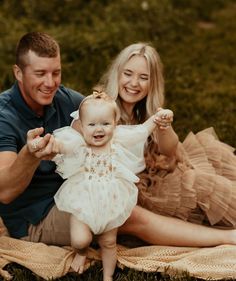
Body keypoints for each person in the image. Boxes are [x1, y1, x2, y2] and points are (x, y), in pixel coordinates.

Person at [0, 31, 236, 268]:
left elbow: (99, 123)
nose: (50, 83)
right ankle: (228, 238)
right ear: (18, 72)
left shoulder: (62, 98)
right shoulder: (4, 117)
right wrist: (30, 154)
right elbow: (5, 192)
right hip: (35, 218)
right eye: (40, 74)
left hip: (75, 190)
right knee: (123, 213)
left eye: (56, 73)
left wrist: (150, 125)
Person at [93, 42, 236, 232]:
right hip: (136, 187)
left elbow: (168, 150)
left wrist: (164, 126)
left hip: (157, 166)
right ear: (117, 73)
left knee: (217, 156)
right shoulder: (102, 108)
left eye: (143, 78)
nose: (134, 83)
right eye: (128, 74)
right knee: (202, 185)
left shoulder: (144, 110)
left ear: (152, 83)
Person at [46, 91, 172, 281]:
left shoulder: (118, 140)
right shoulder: (79, 143)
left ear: (115, 123)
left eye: (105, 124)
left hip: (111, 199)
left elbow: (140, 131)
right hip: (83, 198)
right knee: (80, 240)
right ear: (82, 126)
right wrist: (49, 145)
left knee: (108, 242)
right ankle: (81, 252)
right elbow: (62, 146)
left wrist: (157, 118)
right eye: (92, 124)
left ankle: (108, 279)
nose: (99, 130)